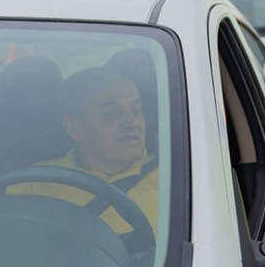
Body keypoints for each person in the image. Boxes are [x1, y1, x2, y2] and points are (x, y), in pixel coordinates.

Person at [8, 66, 158, 235]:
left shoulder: (177, 178)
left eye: (137, 110)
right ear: (74, 127)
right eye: (112, 113)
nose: (131, 121)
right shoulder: (32, 183)